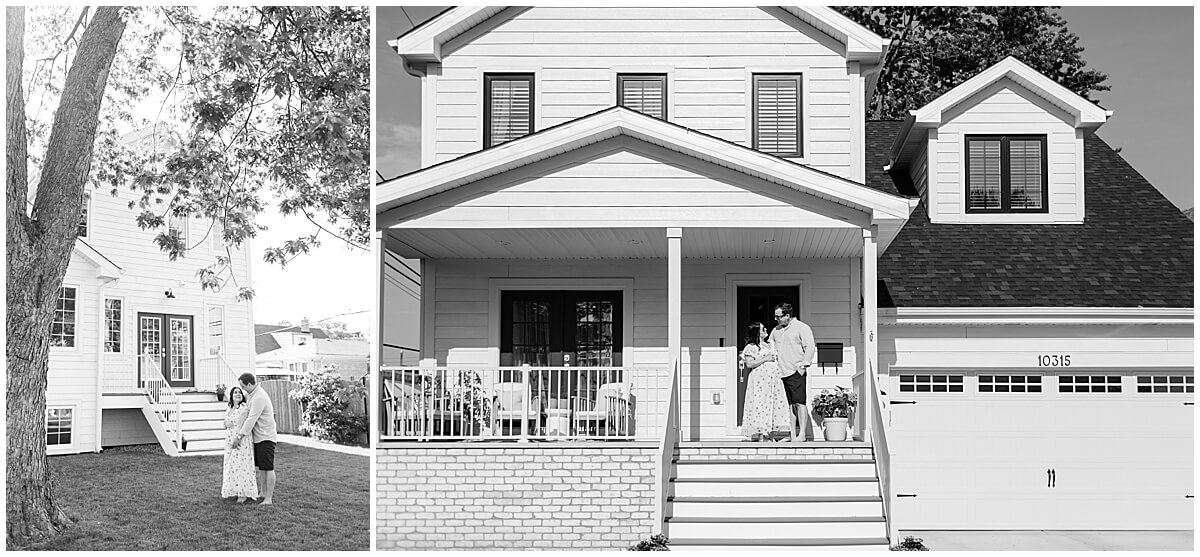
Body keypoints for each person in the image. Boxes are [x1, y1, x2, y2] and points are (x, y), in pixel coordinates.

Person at [768, 302, 816, 443]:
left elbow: (810, 347)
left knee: (800, 403)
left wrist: (802, 367)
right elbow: (770, 346)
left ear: (787, 315)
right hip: (781, 373)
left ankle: (801, 434)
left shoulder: (802, 328)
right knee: (790, 405)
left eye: (779, 317)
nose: (776, 319)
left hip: (795, 371)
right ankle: (793, 435)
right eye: (776, 317)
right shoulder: (776, 331)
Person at [740, 322, 796, 442]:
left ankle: (772, 433)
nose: (766, 330)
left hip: (774, 379)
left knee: (774, 403)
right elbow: (749, 363)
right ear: (756, 332)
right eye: (762, 329)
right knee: (761, 403)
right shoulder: (751, 347)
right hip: (760, 380)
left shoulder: (771, 344)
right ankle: (761, 434)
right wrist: (765, 358)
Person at [232, 372, 278, 505]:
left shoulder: (259, 397)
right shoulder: (252, 395)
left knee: (268, 467)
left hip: (266, 437)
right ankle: (262, 493)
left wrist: (239, 436)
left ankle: (268, 498)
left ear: (250, 384)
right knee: (262, 467)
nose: (243, 389)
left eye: (243, 386)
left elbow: (251, 419)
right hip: (258, 437)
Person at [221, 386, 257, 503]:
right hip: (230, 439)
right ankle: (234, 489)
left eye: (240, 392)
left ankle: (244, 492)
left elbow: (242, 423)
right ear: (231, 396)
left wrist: (239, 437)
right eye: (235, 392)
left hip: (241, 438)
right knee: (231, 465)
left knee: (242, 464)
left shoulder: (243, 407)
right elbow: (224, 424)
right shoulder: (230, 408)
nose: (238, 394)